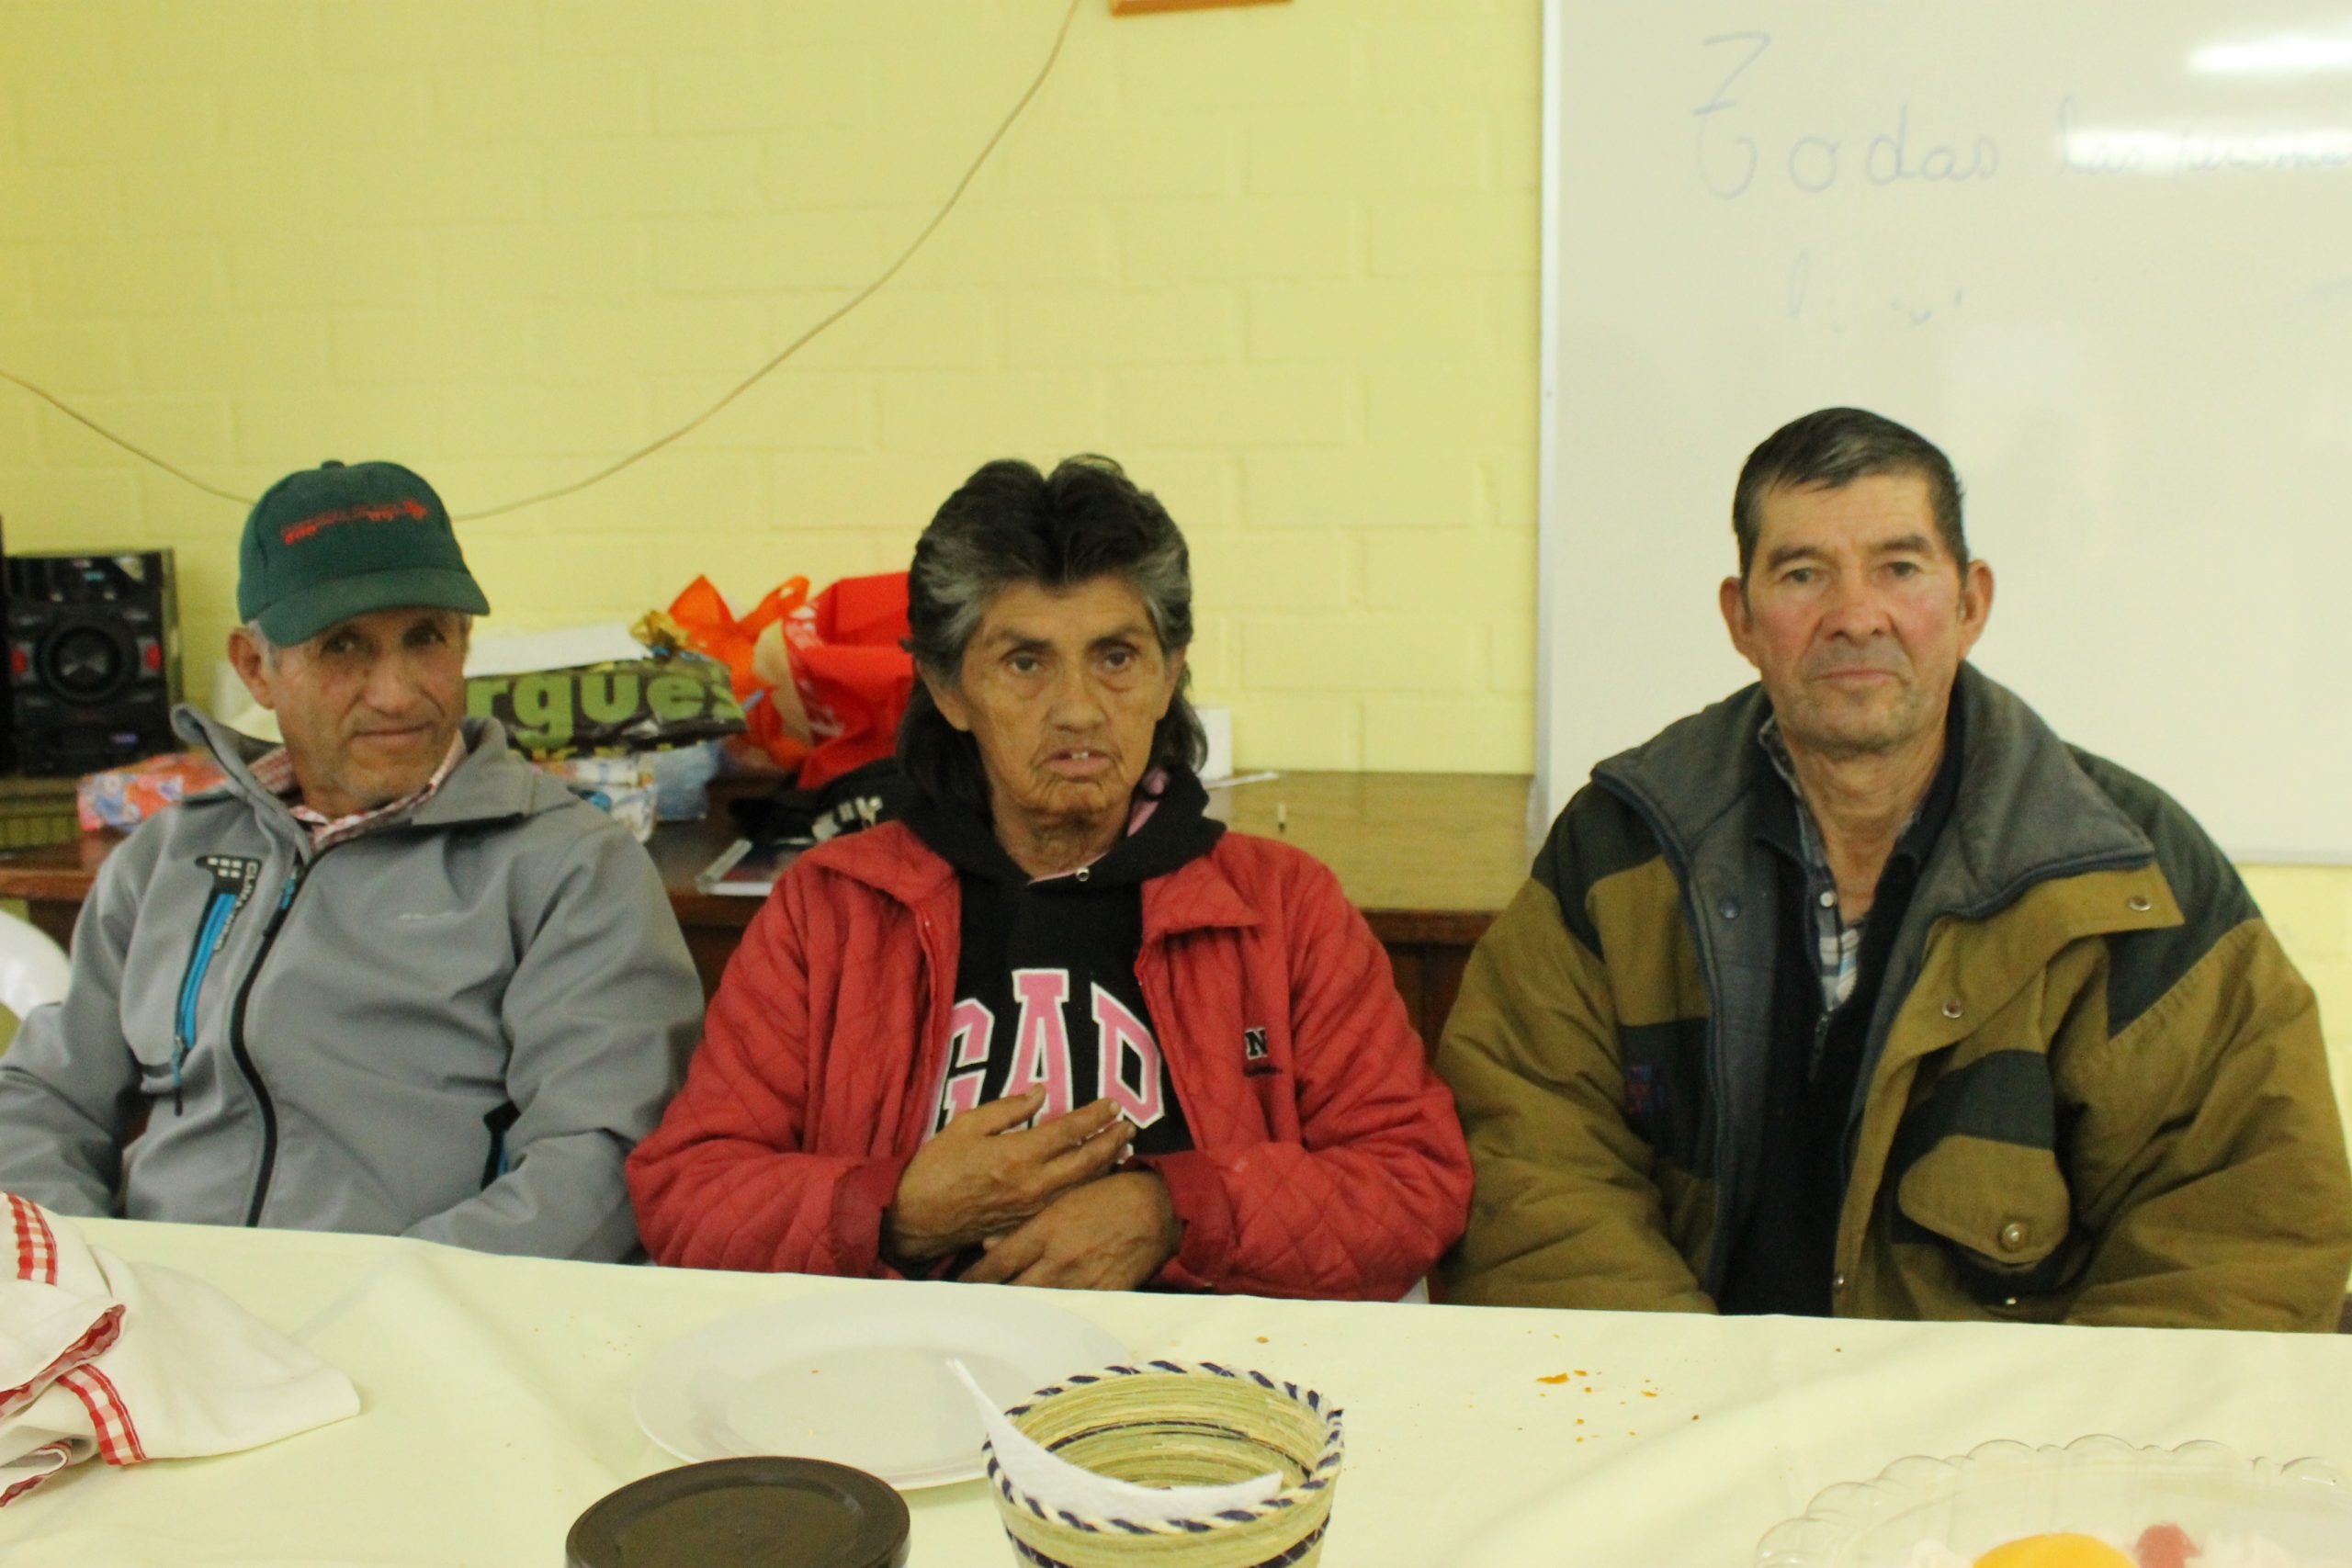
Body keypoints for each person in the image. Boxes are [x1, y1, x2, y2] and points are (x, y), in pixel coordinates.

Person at [1439, 407, 2352, 1329]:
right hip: (1682, 1398)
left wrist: (2046, 1426)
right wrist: (1688, 1397)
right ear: (1740, 618)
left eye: (1900, 568)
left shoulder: (2133, 881)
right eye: (1803, 574)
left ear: (1970, 604)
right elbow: (1532, 1168)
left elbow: (2242, 1231)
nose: (1854, 617)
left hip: (2012, 1416)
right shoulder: (1620, 851)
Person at [628, 456, 1471, 1297]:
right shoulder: (832, 909)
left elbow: (1412, 1183)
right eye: (1026, 663)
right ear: (948, 688)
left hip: (1200, 1359)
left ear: (1169, 673)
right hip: (904, 1355)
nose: (1078, 707)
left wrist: (1175, 1213)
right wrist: (895, 1211)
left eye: (1116, 657)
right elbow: (689, 1195)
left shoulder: (1282, 907)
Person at [0, 460, 704, 1260]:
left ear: (463, 642)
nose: (396, 693)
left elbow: (598, 1166)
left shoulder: (570, 868)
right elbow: (43, 1099)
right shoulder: (169, 856)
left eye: (426, 637)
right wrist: (84, 1271)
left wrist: (368, 1305)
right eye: (343, 646)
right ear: (256, 668)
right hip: (153, 1301)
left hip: (418, 1312)